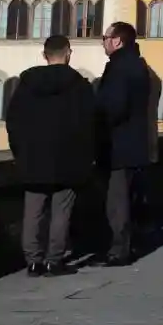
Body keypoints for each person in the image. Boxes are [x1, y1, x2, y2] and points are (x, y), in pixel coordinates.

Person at [6, 35, 96, 276]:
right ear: (68, 53)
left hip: (33, 159)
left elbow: (13, 122)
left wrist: (20, 152)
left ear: (44, 55)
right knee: (61, 211)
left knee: (33, 211)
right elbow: (90, 125)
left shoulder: (26, 85)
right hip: (69, 159)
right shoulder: (80, 86)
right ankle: (53, 261)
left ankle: (33, 261)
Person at [94, 20, 153, 267]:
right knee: (128, 198)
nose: (103, 43)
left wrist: (97, 123)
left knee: (116, 201)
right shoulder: (139, 66)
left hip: (118, 144)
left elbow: (113, 107)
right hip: (135, 143)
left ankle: (119, 251)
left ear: (117, 41)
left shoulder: (119, 68)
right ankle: (128, 244)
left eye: (106, 38)